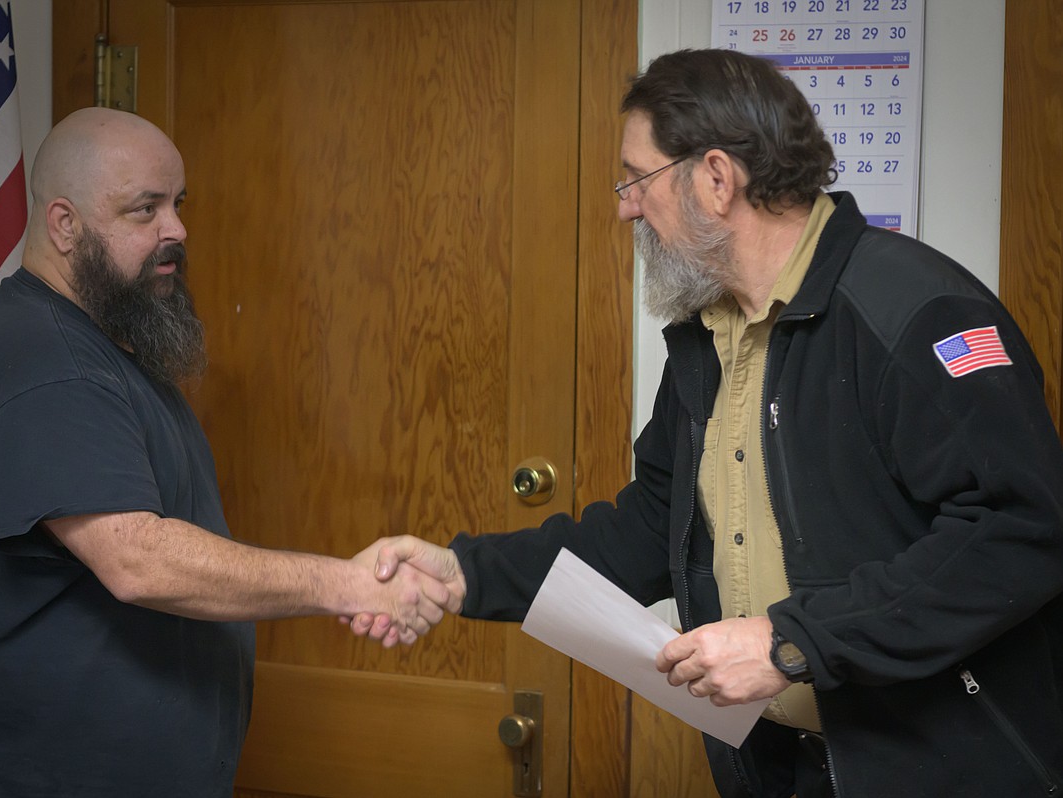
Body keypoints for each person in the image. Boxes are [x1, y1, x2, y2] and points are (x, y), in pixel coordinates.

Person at [351, 48, 1063, 798]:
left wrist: (793, 643)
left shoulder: (912, 311)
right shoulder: (708, 336)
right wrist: (466, 574)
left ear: (716, 178)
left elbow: (1023, 529)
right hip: (782, 765)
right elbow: (652, 529)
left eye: (637, 177)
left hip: (937, 767)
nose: (626, 204)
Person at [0, 107, 463, 798]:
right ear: (65, 225)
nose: (177, 230)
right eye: (145, 210)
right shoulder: (47, 362)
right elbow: (138, 558)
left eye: (177, 203)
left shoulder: (93, 345)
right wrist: (344, 583)